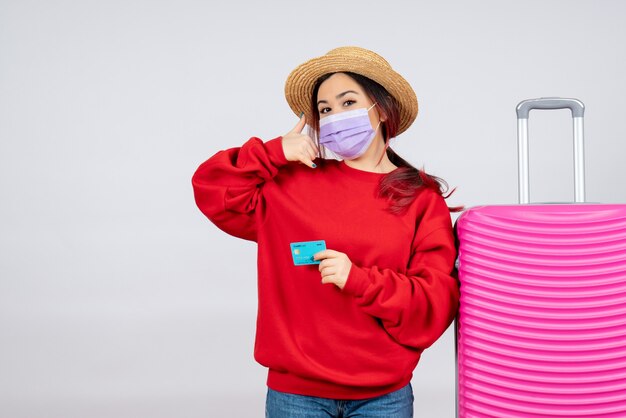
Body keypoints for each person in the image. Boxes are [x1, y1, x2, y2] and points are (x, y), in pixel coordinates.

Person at [192, 46, 460, 418]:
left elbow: (434, 304)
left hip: (382, 396)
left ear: (381, 110)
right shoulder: (292, 183)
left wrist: (360, 280)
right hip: (295, 396)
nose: (335, 116)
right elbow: (212, 188)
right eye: (325, 109)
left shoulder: (419, 199)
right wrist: (272, 153)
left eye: (348, 102)